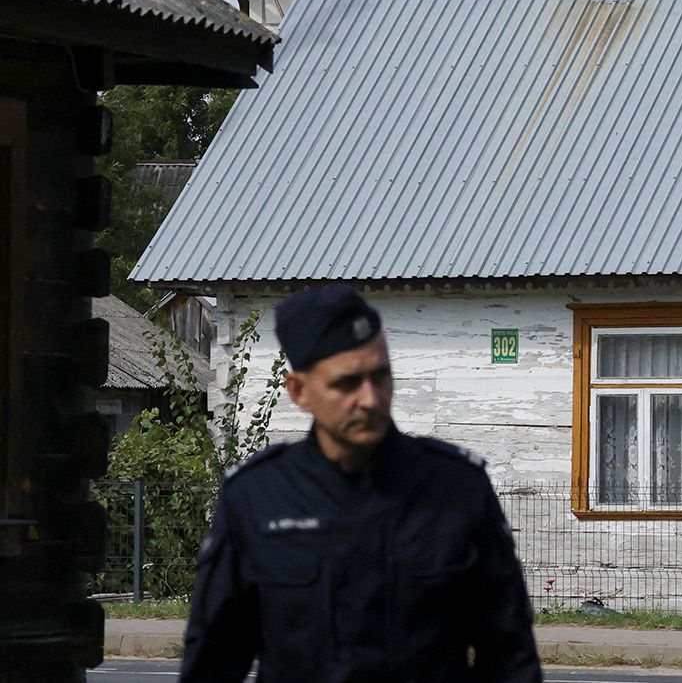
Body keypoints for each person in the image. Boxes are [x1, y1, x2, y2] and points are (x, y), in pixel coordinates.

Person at [181, 286, 542, 682]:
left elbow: (510, 655)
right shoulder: (257, 498)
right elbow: (213, 661)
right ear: (299, 391)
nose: (370, 399)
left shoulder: (455, 489)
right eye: (348, 383)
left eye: (380, 376)